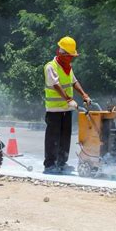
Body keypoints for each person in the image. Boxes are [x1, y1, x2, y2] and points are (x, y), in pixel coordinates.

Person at [43, 36, 91, 174]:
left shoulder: (67, 67)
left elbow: (74, 82)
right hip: (54, 110)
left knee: (65, 137)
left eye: (72, 56)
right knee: (53, 138)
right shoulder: (50, 67)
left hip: (66, 109)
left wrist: (84, 94)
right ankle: (50, 165)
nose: (71, 59)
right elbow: (56, 85)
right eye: (69, 56)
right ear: (61, 53)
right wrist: (69, 99)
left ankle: (62, 163)